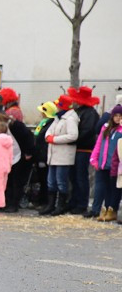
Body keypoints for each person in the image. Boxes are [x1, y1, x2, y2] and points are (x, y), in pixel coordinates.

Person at [67, 86, 102, 215]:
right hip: (78, 148)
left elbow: (87, 131)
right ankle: (74, 201)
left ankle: (81, 203)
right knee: (74, 176)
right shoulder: (82, 111)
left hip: (84, 149)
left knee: (81, 177)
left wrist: (72, 139)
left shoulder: (89, 113)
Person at [43, 94, 80, 216]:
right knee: (51, 181)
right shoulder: (58, 118)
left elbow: (73, 136)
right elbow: (50, 130)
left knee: (61, 181)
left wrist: (55, 139)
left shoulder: (70, 119)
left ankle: (61, 205)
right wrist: (48, 136)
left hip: (63, 156)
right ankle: (50, 205)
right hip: (53, 155)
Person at [89, 104, 122, 222]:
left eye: (120, 116)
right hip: (103, 162)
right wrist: (94, 158)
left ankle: (111, 209)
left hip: (115, 165)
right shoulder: (106, 128)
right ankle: (99, 209)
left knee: (113, 189)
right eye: (116, 115)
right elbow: (99, 145)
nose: (118, 118)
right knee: (101, 187)